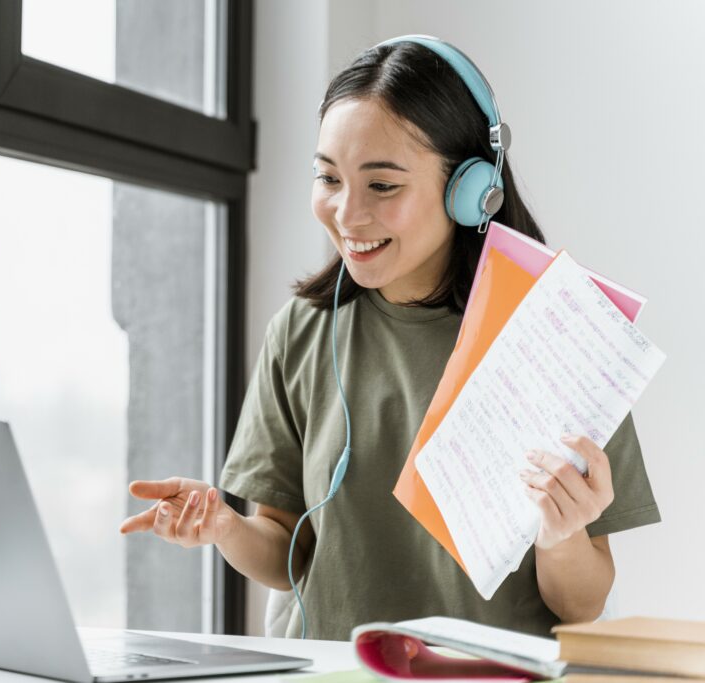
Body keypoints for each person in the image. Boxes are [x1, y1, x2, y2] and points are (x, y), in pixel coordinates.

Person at [118, 36, 660, 640]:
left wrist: (561, 535)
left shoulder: (558, 338)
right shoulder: (301, 332)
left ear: (470, 188)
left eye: (382, 186)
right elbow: (290, 554)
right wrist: (224, 527)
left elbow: (581, 606)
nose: (347, 214)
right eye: (328, 177)